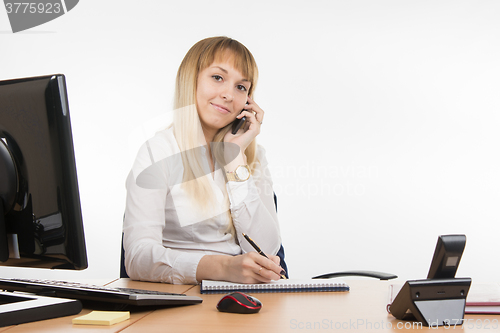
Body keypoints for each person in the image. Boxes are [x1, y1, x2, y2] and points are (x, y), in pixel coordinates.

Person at [123, 36, 285, 285]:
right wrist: (221, 268)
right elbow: (138, 257)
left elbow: (268, 252)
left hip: (244, 297)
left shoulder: (253, 156)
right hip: (181, 298)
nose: (229, 95)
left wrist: (234, 160)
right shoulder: (158, 152)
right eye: (218, 78)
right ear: (192, 80)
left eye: (241, 87)